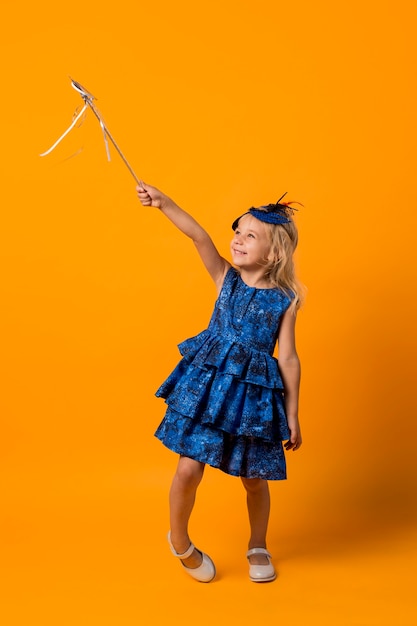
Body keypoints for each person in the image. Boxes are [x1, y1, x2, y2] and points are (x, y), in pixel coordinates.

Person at [136, 182, 303, 583]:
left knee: (255, 479)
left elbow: (290, 359)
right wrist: (165, 203)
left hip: (253, 400)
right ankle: (180, 542)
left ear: (274, 252)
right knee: (188, 470)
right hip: (207, 392)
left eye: (250, 235)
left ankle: (258, 544)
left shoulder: (286, 300)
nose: (238, 240)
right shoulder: (224, 279)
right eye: (238, 231)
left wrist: (293, 415)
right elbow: (199, 235)